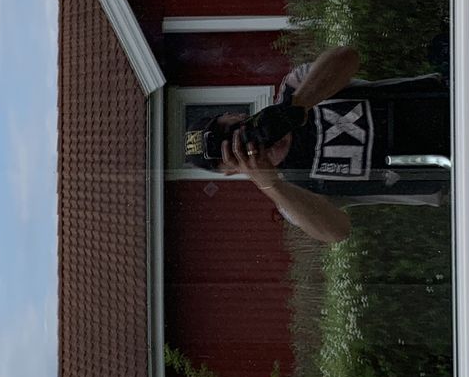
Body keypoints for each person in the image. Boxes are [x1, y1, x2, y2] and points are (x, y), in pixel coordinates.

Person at [189, 44, 450, 245]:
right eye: (229, 152)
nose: (239, 141)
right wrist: (271, 184)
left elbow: (347, 57)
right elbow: (337, 230)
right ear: (231, 171)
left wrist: (295, 108)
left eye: (230, 129)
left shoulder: (294, 87)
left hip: (449, 102)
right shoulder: (291, 193)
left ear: (234, 115)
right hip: (452, 175)